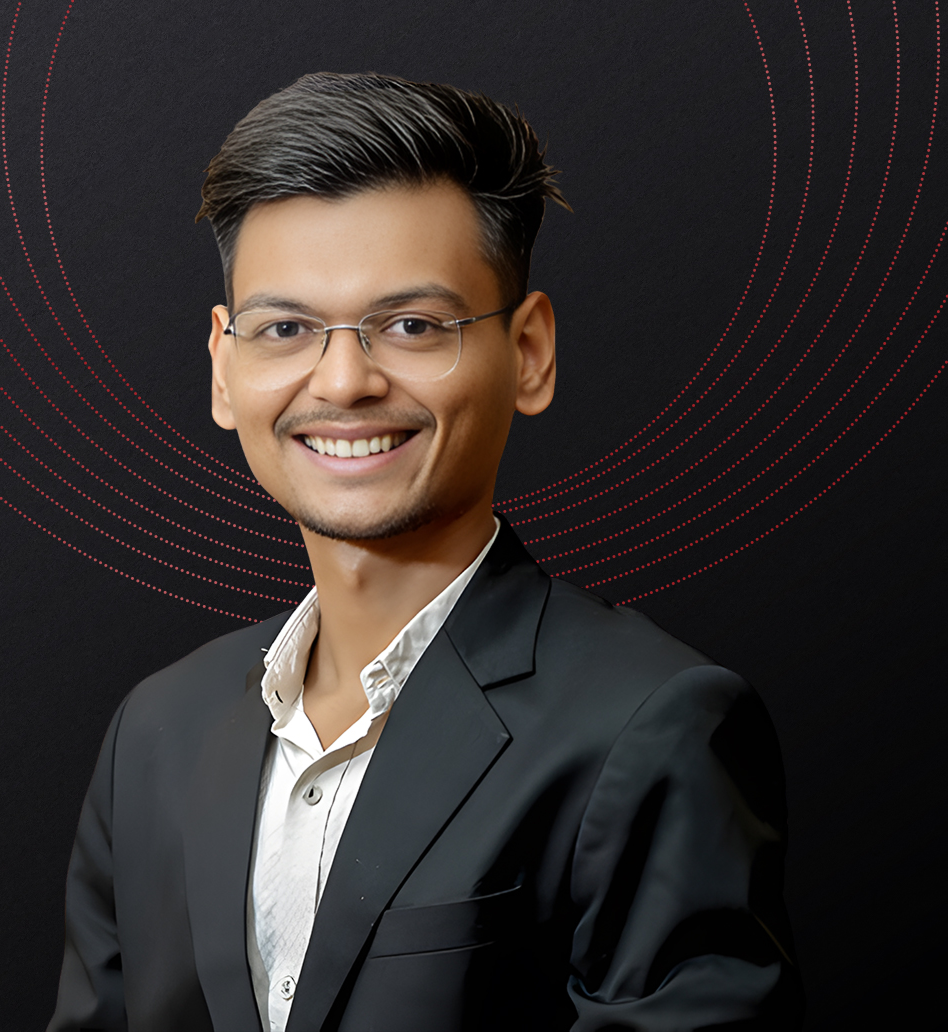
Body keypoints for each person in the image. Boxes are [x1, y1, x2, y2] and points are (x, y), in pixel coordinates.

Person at [47, 72, 803, 1031]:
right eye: (285, 329)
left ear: (528, 352)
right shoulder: (157, 733)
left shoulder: (650, 727)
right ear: (224, 369)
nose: (343, 381)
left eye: (411, 326)